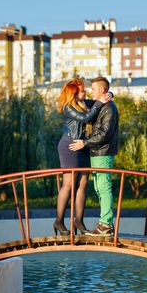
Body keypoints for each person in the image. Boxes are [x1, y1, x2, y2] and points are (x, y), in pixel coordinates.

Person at [54, 78, 112, 236]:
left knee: (83, 184)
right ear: (73, 93)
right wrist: (100, 102)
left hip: (83, 145)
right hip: (70, 147)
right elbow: (86, 118)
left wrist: (109, 94)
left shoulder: (85, 103)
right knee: (69, 184)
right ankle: (59, 221)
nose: (85, 91)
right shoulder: (68, 107)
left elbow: (102, 95)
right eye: (81, 90)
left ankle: (78, 221)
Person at [69, 76, 119, 237]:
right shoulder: (100, 104)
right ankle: (104, 223)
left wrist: (84, 143)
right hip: (98, 152)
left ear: (102, 90)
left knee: (104, 187)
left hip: (103, 152)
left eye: (94, 89)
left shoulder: (109, 108)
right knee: (100, 187)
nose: (91, 91)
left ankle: (106, 225)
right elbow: (86, 108)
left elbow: (105, 134)